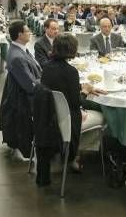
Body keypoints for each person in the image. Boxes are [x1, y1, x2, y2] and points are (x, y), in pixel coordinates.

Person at [38, 34, 107, 183]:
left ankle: (73, 154)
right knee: (102, 117)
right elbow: (77, 103)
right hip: (66, 120)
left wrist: (83, 86)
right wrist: (84, 92)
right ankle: (76, 155)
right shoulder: (71, 71)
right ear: (72, 50)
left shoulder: (48, 67)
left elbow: (59, 86)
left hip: (49, 116)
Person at [0, 21, 41, 160]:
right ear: (20, 35)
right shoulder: (17, 57)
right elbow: (30, 85)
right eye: (28, 31)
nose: (30, 33)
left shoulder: (19, 49)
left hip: (21, 94)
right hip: (24, 100)